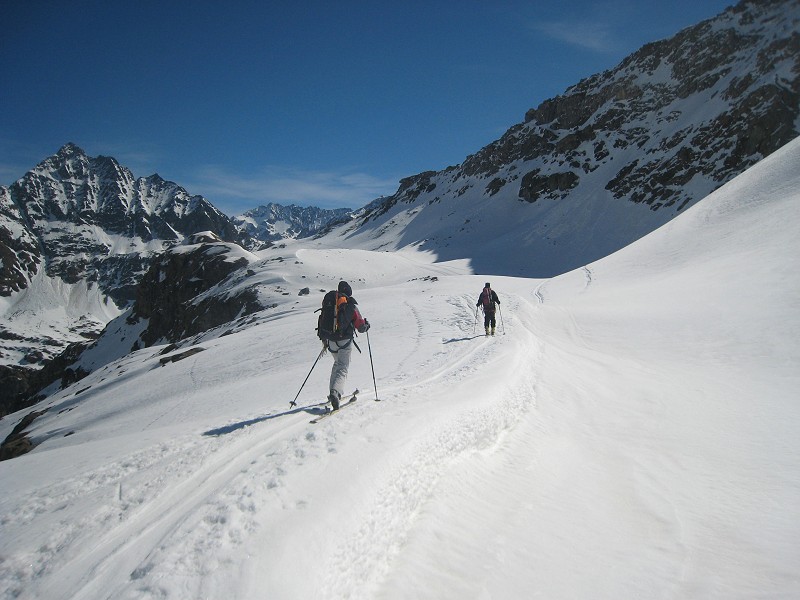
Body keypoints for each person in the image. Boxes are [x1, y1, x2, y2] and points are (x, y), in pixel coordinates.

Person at [326, 280, 369, 409]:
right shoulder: (350, 304)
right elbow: (360, 327)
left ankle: (333, 391)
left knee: (337, 363)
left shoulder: (331, 301)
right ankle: (336, 392)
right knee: (343, 366)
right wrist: (367, 326)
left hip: (330, 340)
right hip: (344, 340)